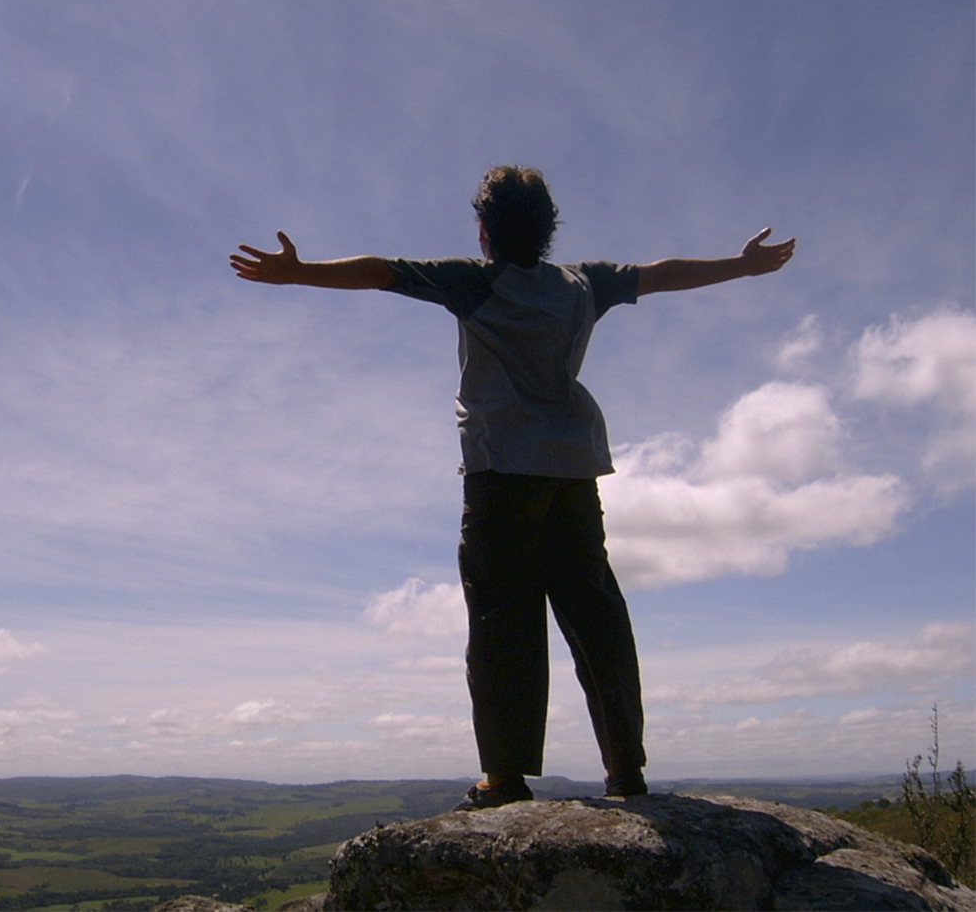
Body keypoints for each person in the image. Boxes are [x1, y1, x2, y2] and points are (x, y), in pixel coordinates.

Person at [230, 165, 796, 810]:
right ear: (547, 228)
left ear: (485, 230)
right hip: (573, 470)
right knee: (597, 617)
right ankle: (625, 770)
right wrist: (741, 266)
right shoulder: (583, 283)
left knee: (503, 620)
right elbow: (661, 274)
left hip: (501, 472)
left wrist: (299, 272)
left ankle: (504, 777)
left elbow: (381, 271)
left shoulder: (474, 281)